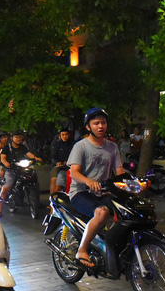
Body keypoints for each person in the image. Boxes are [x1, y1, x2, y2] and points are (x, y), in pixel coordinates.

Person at [67, 107, 127, 268]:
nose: (101, 126)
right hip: (81, 193)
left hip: (103, 191)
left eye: (103, 123)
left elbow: (119, 171)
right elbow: (74, 172)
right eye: (96, 123)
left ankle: (110, 244)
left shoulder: (112, 147)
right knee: (102, 212)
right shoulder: (81, 146)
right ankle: (82, 250)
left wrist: (132, 183)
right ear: (88, 127)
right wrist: (88, 181)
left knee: (126, 211)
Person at [0, 130, 42, 212]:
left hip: (21, 169)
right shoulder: (7, 147)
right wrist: (7, 163)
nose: (18, 139)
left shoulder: (22, 147)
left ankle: (35, 201)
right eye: (16, 137)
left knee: (33, 179)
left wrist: (35, 158)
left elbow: (28, 154)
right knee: (5, 188)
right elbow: (3, 158)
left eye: (20, 137)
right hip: (11, 170)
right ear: (12, 138)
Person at [50, 126, 75, 196]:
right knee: (54, 179)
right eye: (63, 135)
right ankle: (52, 199)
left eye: (66, 134)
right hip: (58, 166)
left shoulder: (74, 144)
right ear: (60, 135)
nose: (65, 136)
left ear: (69, 135)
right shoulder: (56, 144)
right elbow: (53, 156)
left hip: (70, 166)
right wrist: (57, 162)